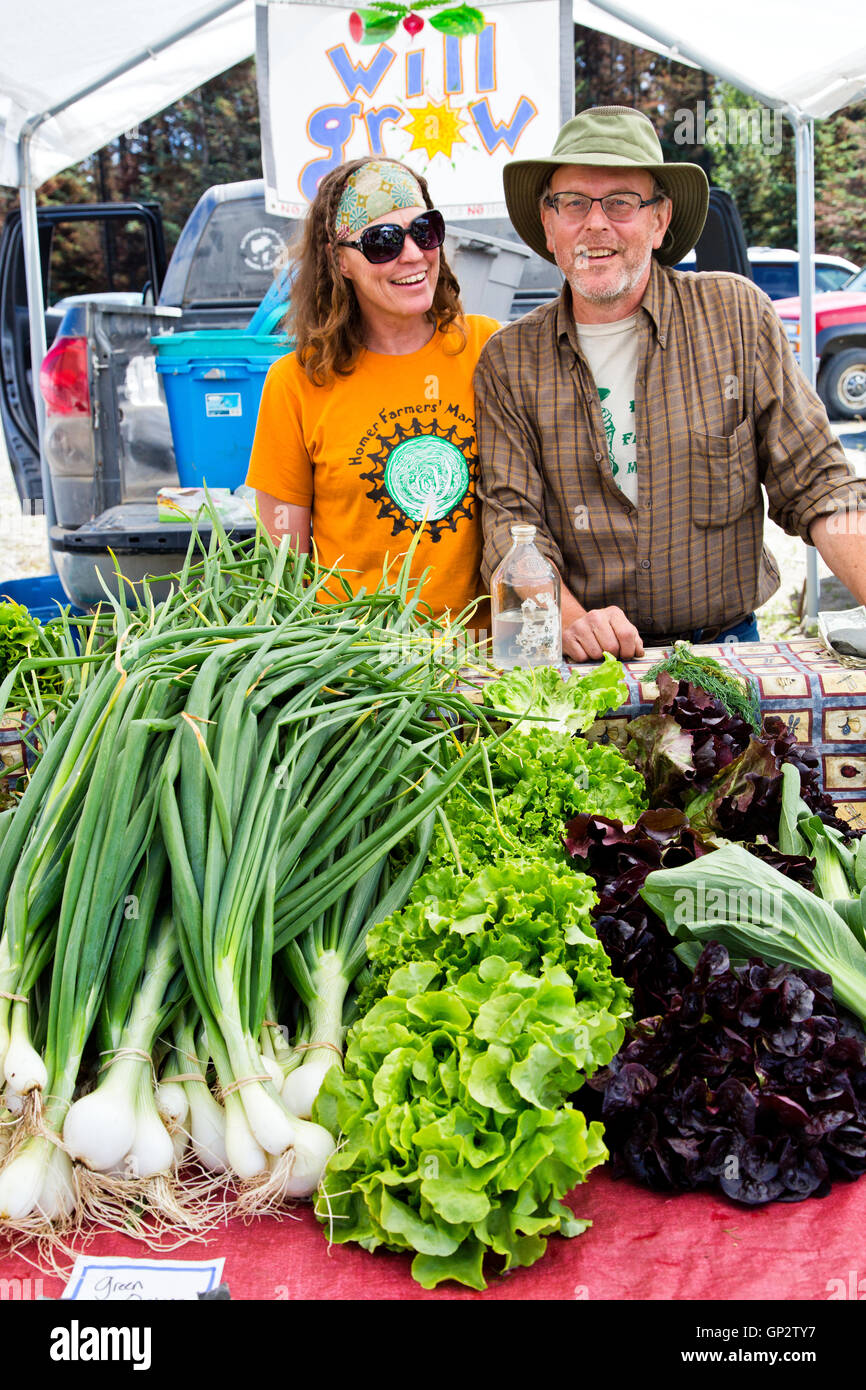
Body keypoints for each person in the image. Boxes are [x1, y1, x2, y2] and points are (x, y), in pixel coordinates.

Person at [474, 105, 866, 662]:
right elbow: (512, 528)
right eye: (573, 202)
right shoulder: (509, 360)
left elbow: (820, 484)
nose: (596, 223)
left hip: (726, 653)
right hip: (588, 662)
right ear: (548, 222)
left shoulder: (735, 315)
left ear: (660, 221)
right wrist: (573, 623)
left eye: (621, 202)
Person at [246, 157, 499, 622]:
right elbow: (281, 572)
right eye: (382, 242)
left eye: (424, 230)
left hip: (480, 670)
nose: (412, 255)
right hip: (360, 673)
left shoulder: (488, 349)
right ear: (340, 259)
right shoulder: (295, 383)